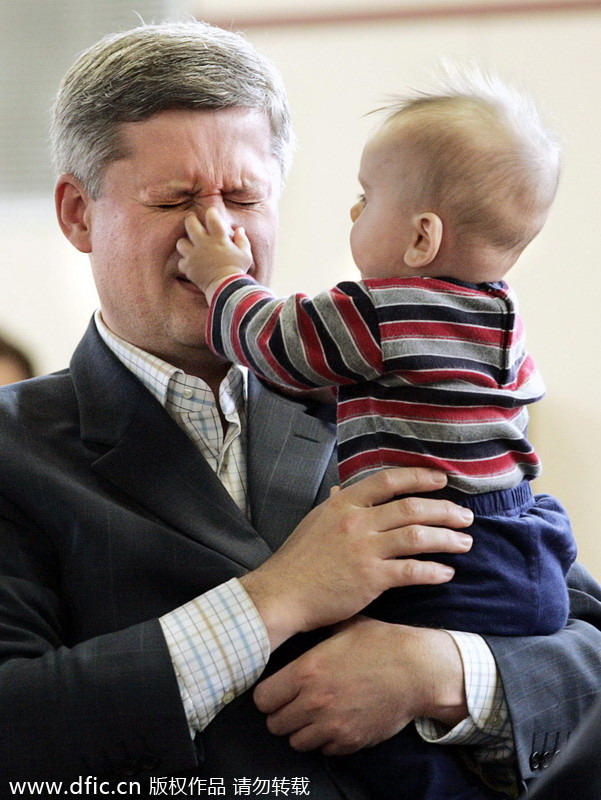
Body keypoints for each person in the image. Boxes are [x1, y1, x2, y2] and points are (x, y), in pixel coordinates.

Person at [0, 21, 600, 800]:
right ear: (79, 213)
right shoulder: (16, 450)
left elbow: (577, 635)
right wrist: (271, 603)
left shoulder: (395, 392)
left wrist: (444, 674)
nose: (217, 233)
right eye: (176, 199)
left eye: (244, 197)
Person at [175, 69, 577, 797]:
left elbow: (273, 339)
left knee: (365, 734)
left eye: (365, 197)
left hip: (441, 555)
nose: (353, 208)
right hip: (521, 540)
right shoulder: (499, 314)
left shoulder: (375, 313)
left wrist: (220, 276)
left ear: (421, 236)